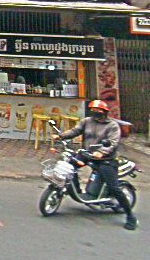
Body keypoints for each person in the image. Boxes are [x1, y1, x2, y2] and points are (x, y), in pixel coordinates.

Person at [52, 99, 138, 231]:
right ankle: (76, 191)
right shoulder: (87, 121)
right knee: (70, 165)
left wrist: (101, 152)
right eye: (93, 110)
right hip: (87, 153)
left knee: (114, 187)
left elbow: (113, 143)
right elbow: (75, 131)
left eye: (98, 110)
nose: (95, 112)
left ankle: (130, 217)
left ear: (105, 112)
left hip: (106, 159)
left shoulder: (112, 126)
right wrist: (61, 136)